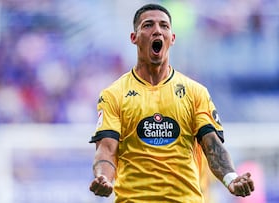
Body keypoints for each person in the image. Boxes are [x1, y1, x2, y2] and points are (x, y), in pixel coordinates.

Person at [89, 3, 254, 202]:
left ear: (172, 39)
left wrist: (231, 178)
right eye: (148, 25)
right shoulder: (114, 94)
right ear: (134, 38)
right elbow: (106, 149)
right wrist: (103, 177)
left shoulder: (195, 92)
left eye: (164, 26)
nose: (157, 30)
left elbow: (212, 146)